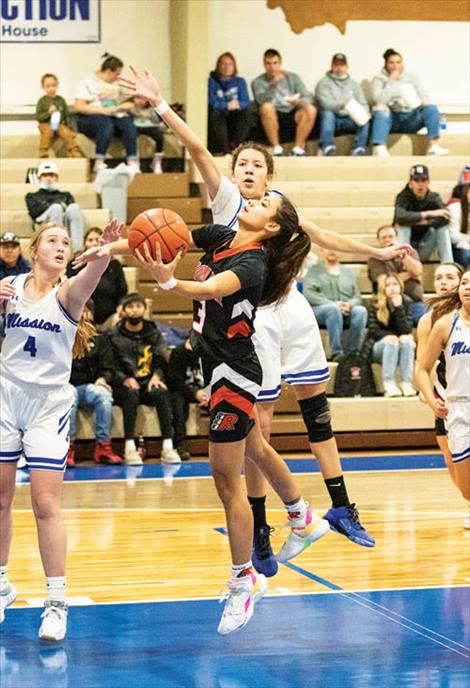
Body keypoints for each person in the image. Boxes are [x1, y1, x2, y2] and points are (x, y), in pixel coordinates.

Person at [114, 65, 412, 571]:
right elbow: (198, 153)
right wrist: (162, 108)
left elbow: (321, 236)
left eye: (257, 165)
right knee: (257, 428)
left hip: (277, 308)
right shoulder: (229, 205)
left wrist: (375, 252)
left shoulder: (277, 214)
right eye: (243, 163)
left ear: (270, 178)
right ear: (234, 174)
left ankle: (334, 508)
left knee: (314, 409)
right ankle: (266, 525)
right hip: (245, 318)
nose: (248, 170)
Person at [134, 194, 332, 634]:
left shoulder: (253, 264)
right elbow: (169, 237)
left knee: (226, 479)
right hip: (219, 365)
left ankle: (244, 580)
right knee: (256, 446)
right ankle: (301, 516)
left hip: (235, 374)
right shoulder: (224, 236)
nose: (255, 200)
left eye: (265, 202)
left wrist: (169, 284)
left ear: (272, 227)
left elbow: (210, 288)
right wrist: (111, 247)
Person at [0, 218, 120, 639]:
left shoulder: (68, 293)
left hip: (48, 404)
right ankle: (0, 585)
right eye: (52, 239)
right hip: (6, 393)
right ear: (35, 250)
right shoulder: (10, 288)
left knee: (44, 505)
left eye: (66, 242)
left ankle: (56, 603)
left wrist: (103, 253)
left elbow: (91, 277)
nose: (60, 246)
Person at [415, 262, 468, 528]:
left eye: (449, 277)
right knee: (451, 460)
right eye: (438, 277)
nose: (443, 283)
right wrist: (425, 392)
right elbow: (421, 365)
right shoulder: (431, 320)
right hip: (449, 399)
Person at [106, 292, 180, 466]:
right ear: (123, 311)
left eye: (138, 306)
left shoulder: (154, 333)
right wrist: (124, 378)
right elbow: (109, 364)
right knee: (130, 395)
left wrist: (157, 376)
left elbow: (162, 361)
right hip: (124, 384)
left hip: (148, 382)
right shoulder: (112, 335)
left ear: (145, 310)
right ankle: (130, 449)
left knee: (161, 393)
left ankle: (168, 447)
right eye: (130, 307)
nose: (135, 311)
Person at [68, 301, 122, 468]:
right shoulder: (61, 333)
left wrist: (103, 378)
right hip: (65, 384)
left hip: (90, 385)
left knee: (104, 395)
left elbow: (108, 365)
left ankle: (103, 446)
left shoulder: (100, 338)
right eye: (79, 309)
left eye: (86, 310)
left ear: (91, 314)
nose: (83, 314)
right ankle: (66, 447)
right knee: (68, 396)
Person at [370, 48, 449, 157]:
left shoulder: (411, 76)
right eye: (391, 63)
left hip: (410, 117)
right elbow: (378, 99)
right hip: (392, 119)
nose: (395, 66)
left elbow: (425, 96)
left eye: (398, 62)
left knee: (431, 108)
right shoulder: (378, 79)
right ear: (386, 64)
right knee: (380, 109)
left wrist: (417, 101)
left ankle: (433, 146)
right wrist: (390, 82)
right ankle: (379, 148)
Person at [73, 53, 138, 173]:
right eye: (117, 73)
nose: (118, 77)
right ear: (108, 71)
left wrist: (123, 106)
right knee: (107, 124)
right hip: (92, 117)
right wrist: (104, 111)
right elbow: (78, 106)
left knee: (128, 123)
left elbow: (130, 101)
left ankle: (132, 161)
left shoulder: (117, 84)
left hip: (114, 114)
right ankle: (99, 162)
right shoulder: (88, 82)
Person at [303, 249, 368, 361]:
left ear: (341, 251)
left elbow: (357, 296)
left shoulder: (348, 272)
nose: (331, 251)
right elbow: (309, 294)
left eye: (335, 248)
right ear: (323, 251)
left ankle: (353, 352)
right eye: (328, 248)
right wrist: (333, 304)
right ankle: (337, 352)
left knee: (361, 311)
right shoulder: (313, 270)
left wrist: (349, 305)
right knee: (332, 309)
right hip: (321, 310)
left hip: (345, 311)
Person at [251, 49, 316, 156]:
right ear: (264, 65)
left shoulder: (293, 77)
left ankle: (298, 149)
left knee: (311, 109)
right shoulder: (257, 82)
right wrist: (273, 85)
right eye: (268, 64)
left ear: (280, 63)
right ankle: (277, 149)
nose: (272, 67)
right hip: (273, 114)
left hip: (292, 111)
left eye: (275, 63)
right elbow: (260, 100)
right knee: (266, 107)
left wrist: (299, 102)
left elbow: (308, 96)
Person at [67, 227, 128, 330]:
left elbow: (123, 291)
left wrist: (121, 306)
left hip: (109, 316)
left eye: (97, 240)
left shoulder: (114, 265)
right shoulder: (74, 263)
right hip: (82, 314)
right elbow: (70, 291)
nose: (94, 243)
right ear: (84, 243)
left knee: (121, 318)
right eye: (90, 240)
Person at [367, 273, 417, 397]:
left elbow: (406, 329)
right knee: (393, 340)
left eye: (395, 284)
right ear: (383, 289)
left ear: (400, 286)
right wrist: (390, 336)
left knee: (407, 341)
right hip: (379, 347)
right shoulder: (375, 304)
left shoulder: (406, 302)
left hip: (400, 346)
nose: (392, 287)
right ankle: (388, 384)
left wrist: (399, 308)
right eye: (388, 285)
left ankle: (407, 383)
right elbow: (374, 331)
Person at [394, 164, 453, 264]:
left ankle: (448, 266)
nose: (420, 184)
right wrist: (429, 213)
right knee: (403, 226)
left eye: (423, 180)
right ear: (410, 183)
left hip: (425, 245)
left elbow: (445, 218)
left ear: (428, 182)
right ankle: (404, 265)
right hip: (406, 247)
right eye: (416, 180)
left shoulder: (433, 197)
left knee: (442, 229)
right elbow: (400, 217)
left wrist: (418, 221)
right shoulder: (403, 197)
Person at [368, 224, 426, 325]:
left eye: (390, 236)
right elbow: (384, 282)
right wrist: (410, 274)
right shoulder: (375, 258)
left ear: (396, 238)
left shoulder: (410, 252)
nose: (387, 240)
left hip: (414, 303)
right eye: (384, 237)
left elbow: (417, 271)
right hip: (388, 305)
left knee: (426, 322)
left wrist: (402, 255)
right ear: (378, 240)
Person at [314, 53, 370, 156]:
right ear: (332, 66)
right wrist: (342, 104)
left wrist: (366, 111)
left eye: (342, 65)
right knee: (327, 114)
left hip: (350, 117)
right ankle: (327, 146)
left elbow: (363, 102)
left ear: (347, 67)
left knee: (365, 117)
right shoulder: (323, 83)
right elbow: (325, 104)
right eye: (336, 65)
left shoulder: (354, 84)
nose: (339, 68)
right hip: (333, 118)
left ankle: (358, 148)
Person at [25, 160, 85, 253]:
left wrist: (53, 205)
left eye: (51, 175)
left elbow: (72, 214)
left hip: (64, 224)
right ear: (39, 178)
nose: (48, 178)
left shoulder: (66, 195)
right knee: (56, 208)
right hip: (44, 225)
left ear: (56, 178)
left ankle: (78, 251)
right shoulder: (31, 196)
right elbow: (34, 213)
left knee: (74, 208)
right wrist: (58, 205)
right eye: (45, 175)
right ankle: (55, 248)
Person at [166, 337, 208, 461]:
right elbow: (174, 382)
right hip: (183, 392)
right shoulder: (178, 353)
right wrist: (194, 393)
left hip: (205, 392)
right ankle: (179, 445)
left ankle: (227, 443)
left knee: (222, 402)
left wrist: (208, 394)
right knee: (178, 404)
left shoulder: (209, 352)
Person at [208, 52, 252, 155]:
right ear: (218, 66)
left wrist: (237, 105)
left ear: (234, 66)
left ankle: (237, 148)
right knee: (216, 113)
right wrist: (226, 105)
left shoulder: (240, 81)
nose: (227, 67)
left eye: (230, 64)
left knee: (247, 113)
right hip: (221, 114)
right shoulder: (212, 82)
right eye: (223, 64)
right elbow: (212, 102)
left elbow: (245, 101)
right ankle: (225, 150)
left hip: (236, 114)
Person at [35, 73, 82, 159]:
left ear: (57, 85)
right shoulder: (42, 101)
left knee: (64, 131)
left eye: (53, 85)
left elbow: (67, 115)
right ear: (43, 87)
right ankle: (43, 151)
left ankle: (73, 150)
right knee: (47, 130)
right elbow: (38, 117)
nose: (51, 88)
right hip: (45, 124)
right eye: (48, 86)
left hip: (58, 124)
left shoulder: (61, 100)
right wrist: (48, 113)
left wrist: (70, 128)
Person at [130, 96, 165, 174]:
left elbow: (156, 121)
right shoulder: (131, 108)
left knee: (159, 137)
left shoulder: (151, 109)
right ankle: (135, 162)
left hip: (150, 126)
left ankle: (157, 161)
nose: (140, 101)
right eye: (138, 98)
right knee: (131, 136)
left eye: (143, 99)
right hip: (136, 126)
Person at [446, 183, 470, 268]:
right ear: (466, 193)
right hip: (458, 246)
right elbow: (453, 237)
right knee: (465, 254)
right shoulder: (454, 208)